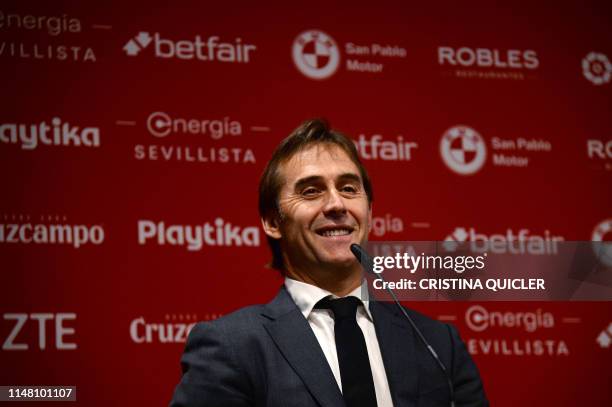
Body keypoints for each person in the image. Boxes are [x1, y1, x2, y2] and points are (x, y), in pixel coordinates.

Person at [170, 119, 488, 407]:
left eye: (349, 189)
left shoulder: (438, 343)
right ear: (272, 221)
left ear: (370, 212)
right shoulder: (232, 346)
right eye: (311, 191)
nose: (336, 204)